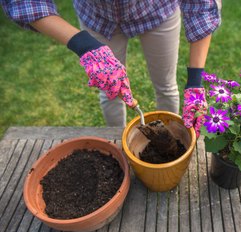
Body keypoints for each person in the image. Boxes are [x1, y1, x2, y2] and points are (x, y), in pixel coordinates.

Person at [1, 0, 221, 136]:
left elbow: (202, 6)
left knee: (166, 86)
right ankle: (118, 141)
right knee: (110, 93)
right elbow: (24, 2)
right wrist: (83, 44)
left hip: (158, 9)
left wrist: (194, 83)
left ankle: (171, 138)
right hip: (97, 16)